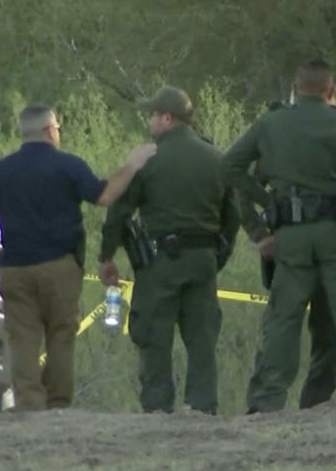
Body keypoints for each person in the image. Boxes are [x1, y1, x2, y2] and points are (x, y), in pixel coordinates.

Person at [0, 105, 155, 412]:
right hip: (60, 267)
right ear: (50, 130)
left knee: (22, 340)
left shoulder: (1, 170)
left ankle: (29, 406)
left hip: (15, 267)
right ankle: (58, 407)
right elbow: (104, 196)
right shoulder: (69, 166)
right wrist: (130, 166)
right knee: (60, 337)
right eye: (59, 128)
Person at [223, 59, 336, 413]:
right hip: (334, 231)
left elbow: (231, 166)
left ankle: (268, 400)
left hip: (290, 236)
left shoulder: (271, 123)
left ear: (296, 89)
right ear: (331, 91)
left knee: (285, 316)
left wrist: (267, 204)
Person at [98, 86, 240, 415]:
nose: (149, 121)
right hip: (203, 260)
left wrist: (107, 255)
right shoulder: (216, 158)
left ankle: (158, 409)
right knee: (202, 337)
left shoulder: (148, 159)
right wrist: (218, 255)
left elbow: (119, 211)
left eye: (152, 115)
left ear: (167, 117)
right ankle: (203, 406)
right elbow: (232, 217)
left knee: (153, 335)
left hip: (159, 261)